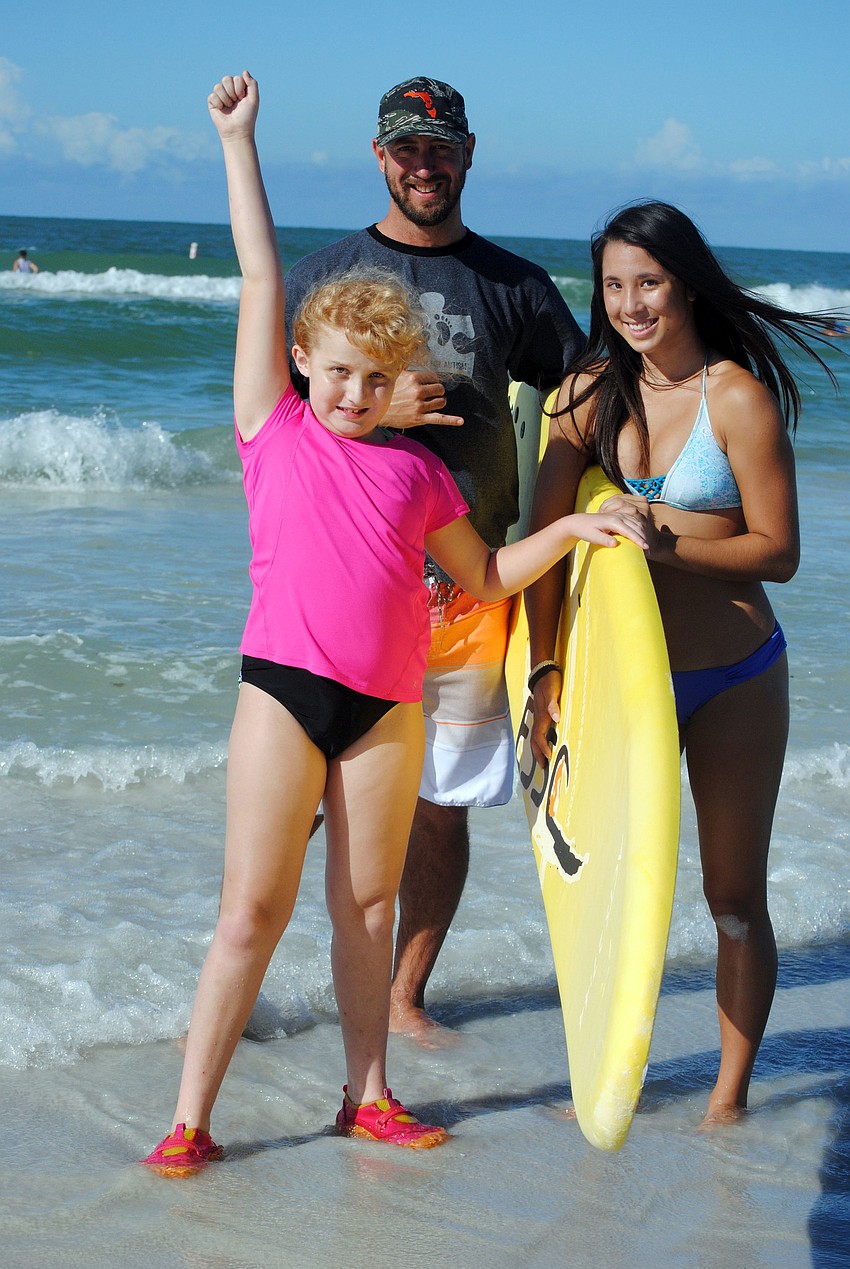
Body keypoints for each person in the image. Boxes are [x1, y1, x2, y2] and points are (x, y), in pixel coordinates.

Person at [140, 72, 646, 1177]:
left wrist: (575, 534)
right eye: (338, 376)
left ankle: (365, 1096)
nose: (355, 395)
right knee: (251, 912)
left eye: (376, 379)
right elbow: (261, 269)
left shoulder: (422, 475)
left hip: (389, 703)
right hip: (285, 692)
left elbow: (487, 568)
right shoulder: (270, 429)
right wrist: (238, 141)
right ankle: (191, 1116)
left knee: (368, 908)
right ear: (303, 370)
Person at [284, 77, 585, 1043]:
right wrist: (382, 410)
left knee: (441, 803)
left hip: (469, 587)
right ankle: (255, 970)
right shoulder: (326, 276)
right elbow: (272, 417)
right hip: (344, 587)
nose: (424, 165)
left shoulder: (513, 287)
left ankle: (404, 992)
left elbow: (585, 399)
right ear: (380, 157)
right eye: (406, 149)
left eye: (439, 148)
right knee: (302, 798)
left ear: (466, 154)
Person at [525, 200, 838, 1127]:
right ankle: (613, 1067)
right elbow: (544, 539)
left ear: (685, 282)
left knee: (732, 895)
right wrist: (545, 672)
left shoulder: (735, 396)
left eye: (648, 282)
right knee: (623, 887)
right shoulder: (586, 395)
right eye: (614, 285)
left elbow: (779, 549)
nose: (630, 304)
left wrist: (668, 548)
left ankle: (728, 1100)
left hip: (736, 670)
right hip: (626, 687)